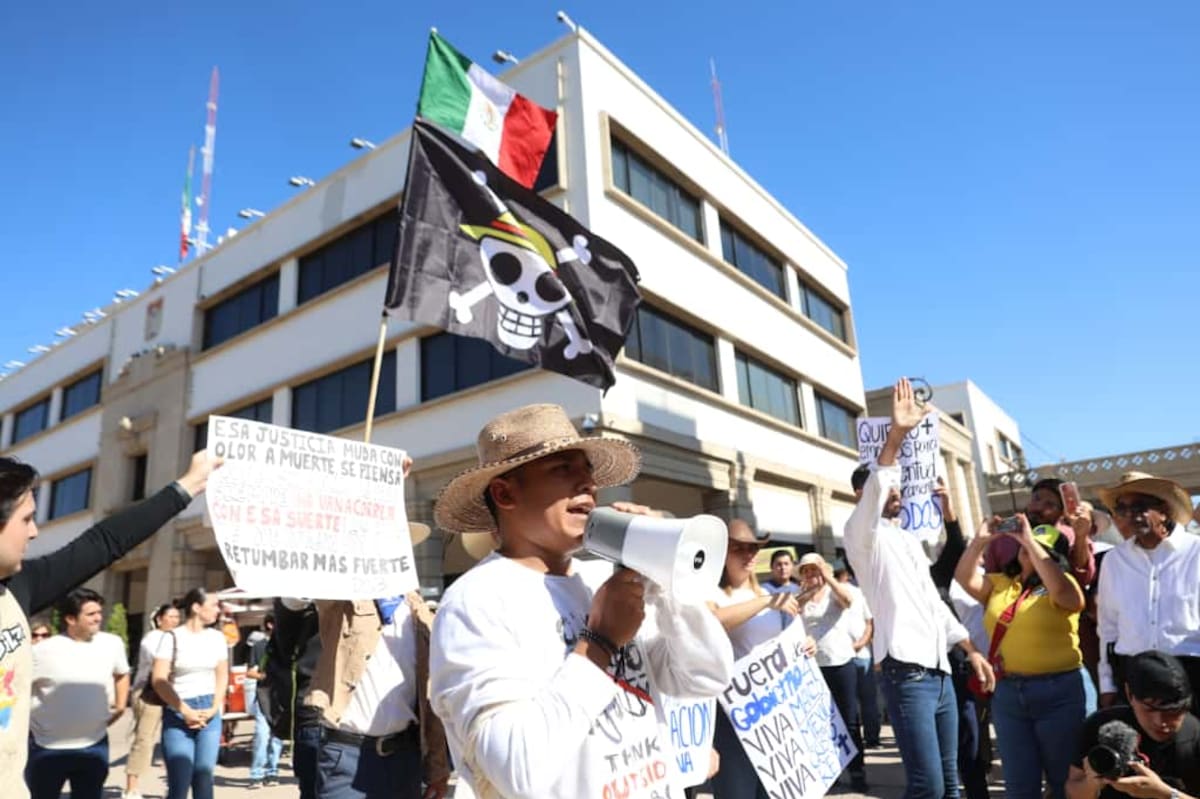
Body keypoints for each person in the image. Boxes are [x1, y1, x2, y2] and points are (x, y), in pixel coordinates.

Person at [429, 403, 734, 799]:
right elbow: (516, 769)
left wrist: (662, 575)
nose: (587, 484)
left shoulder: (599, 582)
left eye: (587, 471)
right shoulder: (474, 603)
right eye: (562, 469)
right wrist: (601, 643)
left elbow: (706, 678)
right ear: (504, 494)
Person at [0, 450, 218, 799]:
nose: (35, 532)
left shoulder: (18, 587)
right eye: (26, 520)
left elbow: (103, 542)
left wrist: (188, 485)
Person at [843, 378, 995, 799]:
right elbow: (877, 484)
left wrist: (971, 651)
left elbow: (934, 603)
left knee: (951, 782)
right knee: (927, 787)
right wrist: (897, 435)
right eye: (888, 485)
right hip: (906, 673)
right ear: (863, 493)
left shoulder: (908, 540)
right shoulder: (861, 535)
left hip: (942, 672)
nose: (897, 490)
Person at [955, 514, 1089, 798]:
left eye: (1039, 546)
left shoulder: (1062, 583)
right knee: (1019, 786)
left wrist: (1029, 539)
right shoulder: (1002, 583)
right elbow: (963, 578)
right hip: (1009, 694)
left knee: (1063, 781)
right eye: (1024, 544)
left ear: (1053, 555)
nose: (1028, 549)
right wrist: (981, 540)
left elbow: (1068, 597)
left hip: (1058, 694)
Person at [707, 520, 803, 799]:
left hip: (774, 712)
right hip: (733, 712)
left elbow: (784, 641)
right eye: (739, 549)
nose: (749, 555)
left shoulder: (766, 594)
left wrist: (804, 646)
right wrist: (767, 602)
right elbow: (712, 623)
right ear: (722, 554)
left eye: (753, 548)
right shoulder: (711, 594)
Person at [1096, 471, 1200, 713]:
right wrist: (1107, 684)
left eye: (1140, 506)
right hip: (1134, 675)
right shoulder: (1114, 561)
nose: (1131, 514)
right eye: (1122, 509)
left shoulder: (1196, 552)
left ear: (1164, 510)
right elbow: (1108, 627)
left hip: (1192, 672)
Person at [27, 587, 131, 799]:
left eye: (99, 612)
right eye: (91, 614)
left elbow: (122, 673)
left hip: (94, 746)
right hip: (47, 748)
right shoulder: (41, 651)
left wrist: (120, 707)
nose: (98, 618)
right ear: (70, 619)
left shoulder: (112, 644)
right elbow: (16, 689)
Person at [1066, 651, 1200, 799]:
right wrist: (1091, 783)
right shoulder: (1101, 727)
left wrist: (1165, 794)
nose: (1160, 722)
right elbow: (1073, 791)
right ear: (1130, 695)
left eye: (1172, 712)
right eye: (1149, 709)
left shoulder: (1194, 736)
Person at [797, 552, 869, 792]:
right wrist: (805, 592)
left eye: (814, 568)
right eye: (806, 570)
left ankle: (857, 770)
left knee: (849, 720)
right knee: (821, 722)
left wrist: (828, 578)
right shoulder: (801, 597)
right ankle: (829, 771)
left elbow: (847, 601)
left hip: (840, 662)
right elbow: (792, 614)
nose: (810, 573)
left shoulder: (834, 591)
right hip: (814, 666)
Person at [151, 587, 229, 799]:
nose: (218, 610)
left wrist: (213, 707)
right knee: (179, 781)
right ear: (196, 607)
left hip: (209, 711)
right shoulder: (172, 637)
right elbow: (159, 680)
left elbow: (222, 675)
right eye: (213, 605)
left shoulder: (217, 637)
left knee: (204, 777)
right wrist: (184, 710)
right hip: (178, 709)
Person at [264, 598, 321, 799]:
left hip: (358, 719)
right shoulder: (298, 605)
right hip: (315, 715)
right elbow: (290, 603)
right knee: (314, 790)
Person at [125, 602, 181, 799]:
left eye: (177, 616)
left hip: (173, 693)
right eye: (171, 616)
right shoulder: (153, 638)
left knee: (172, 739)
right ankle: (131, 788)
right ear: (159, 619)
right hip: (149, 693)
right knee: (144, 739)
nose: (175, 620)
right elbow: (158, 662)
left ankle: (175, 786)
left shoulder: (177, 637)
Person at [836, 564, 881, 749]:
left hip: (860, 655)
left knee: (866, 700)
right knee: (854, 702)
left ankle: (870, 738)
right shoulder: (824, 595)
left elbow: (869, 622)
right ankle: (862, 740)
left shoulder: (859, 593)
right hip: (841, 656)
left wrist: (861, 643)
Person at [245, 614, 282, 789]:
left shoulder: (286, 646)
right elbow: (250, 672)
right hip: (263, 695)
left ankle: (272, 772)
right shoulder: (260, 646)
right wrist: (264, 675)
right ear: (270, 624)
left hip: (281, 697)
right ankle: (256, 774)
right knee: (262, 735)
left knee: (277, 738)